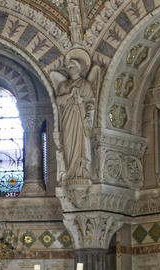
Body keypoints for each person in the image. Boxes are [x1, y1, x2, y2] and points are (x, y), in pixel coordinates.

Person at [56, 49, 100, 184]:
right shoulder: (64, 85)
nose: (69, 68)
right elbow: (58, 101)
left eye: (72, 66)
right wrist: (69, 96)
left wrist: (84, 107)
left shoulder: (85, 85)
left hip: (80, 119)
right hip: (67, 119)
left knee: (81, 144)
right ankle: (70, 173)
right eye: (68, 66)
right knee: (68, 145)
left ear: (79, 68)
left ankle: (81, 173)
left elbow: (91, 103)